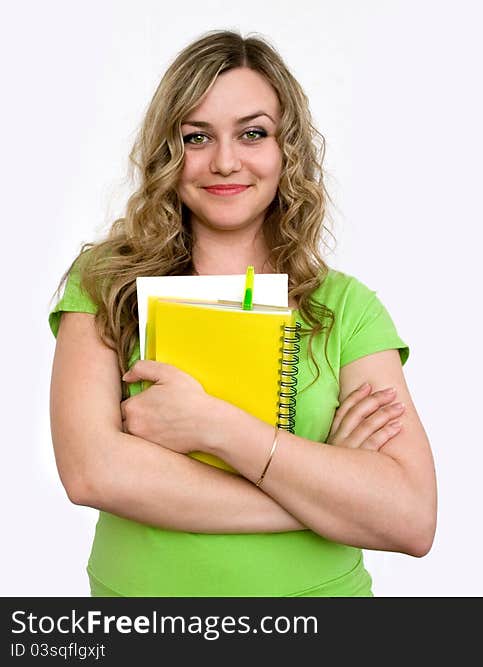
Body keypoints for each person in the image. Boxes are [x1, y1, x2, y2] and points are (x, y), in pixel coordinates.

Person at [48, 30, 437, 597]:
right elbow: (91, 473)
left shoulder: (346, 308)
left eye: (252, 133)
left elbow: (410, 517)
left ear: (288, 150)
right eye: (196, 136)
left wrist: (213, 426)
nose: (225, 161)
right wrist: (321, 495)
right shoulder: (109, 283)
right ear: (168, 152)